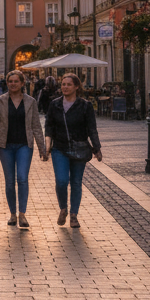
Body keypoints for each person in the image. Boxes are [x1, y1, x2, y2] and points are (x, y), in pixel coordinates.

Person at [0, 70, 47, 228]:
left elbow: (36, 125)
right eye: (10, 81)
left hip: (24, 145)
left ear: (22, 83)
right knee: (9, 182)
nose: (12, 84)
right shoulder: (0, 101)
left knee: (22, 178)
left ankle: (22, 214)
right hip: (5, 146)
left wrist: (42, 148)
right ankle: (12, 213)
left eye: (15, 81)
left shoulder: (30, 101)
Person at [43, 73, 102, 228]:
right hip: (60, 148)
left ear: (77, 87)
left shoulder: (85, 106)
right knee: (62, 181)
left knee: (76, 182)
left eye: (69, 84)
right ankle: (63, 208)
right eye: (63, 84)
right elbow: (48, 126)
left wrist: (97, 148)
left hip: (80, 148)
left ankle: (74, 215)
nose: (65, 87)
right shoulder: (54, 104)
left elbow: (92, 129)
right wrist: (47, 145)